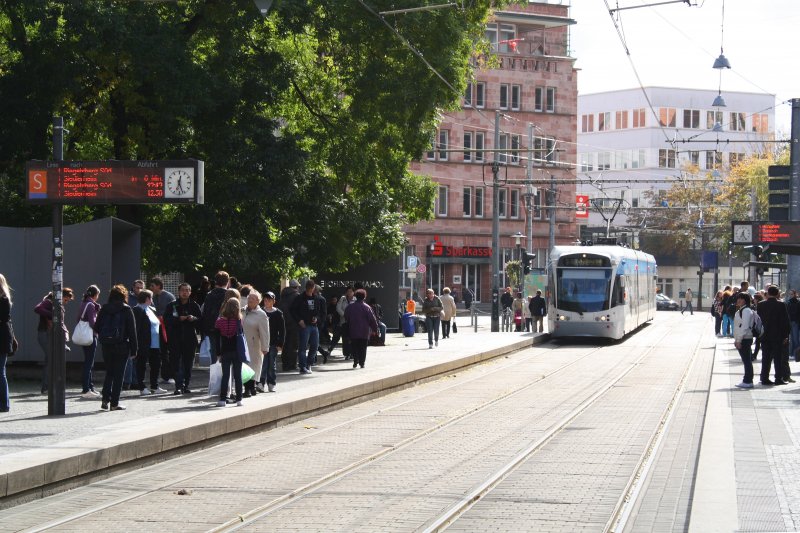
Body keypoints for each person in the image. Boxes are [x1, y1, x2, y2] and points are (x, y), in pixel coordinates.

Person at [95, 284, 137, 411]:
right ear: (124, 295)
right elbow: (132, 331)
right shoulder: (126, 309)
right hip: (122, 345)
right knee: (119, 375)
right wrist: (134, 349)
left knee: (110, 372)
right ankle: (114, 403)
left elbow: (96, 327)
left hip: (106, 345)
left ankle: (105, 399)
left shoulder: (104, 309)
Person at [164, 282, 202, 395]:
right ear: (179, 292)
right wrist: (178, 319)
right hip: (175, 338)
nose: (185, 293)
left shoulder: (194, 305)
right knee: (176, 362)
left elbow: (200, 321)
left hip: (190, 339)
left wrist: (193, 319)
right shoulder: (172, 305)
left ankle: (186, 385)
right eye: (182, 290)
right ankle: (178, 386)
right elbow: (167, 320)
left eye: (187, 290)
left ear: (190, 292)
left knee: (188, 363)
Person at [34, 288, 73, 394]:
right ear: (61, 297)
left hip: (49, 334)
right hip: (45, 333)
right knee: (52, 359)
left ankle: (47, 387)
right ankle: (47, 387)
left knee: (49, 360)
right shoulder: (49, 302)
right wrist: (53, 314)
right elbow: (37, 309)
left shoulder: (55, 304)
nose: (66, 302)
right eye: (65, 300)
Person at [132, 290, 166, 395]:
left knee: (156, 364)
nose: (152, 300)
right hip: (144, 343)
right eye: (151, 298)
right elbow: (136, 328)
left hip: (155, 343)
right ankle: (142, 387)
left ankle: (154, 386)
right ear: (147, 299)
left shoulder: (151, 309)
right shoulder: (137, 310)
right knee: (141, 365)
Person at [757, 285, 791, 386]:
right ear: (777, 294)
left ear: (768, 293)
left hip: (764, 335)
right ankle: (778, 378)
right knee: (778, 358)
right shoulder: (781, 305)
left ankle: (764, 377)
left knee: (765, 357)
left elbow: (758, 321)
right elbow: (785, 321)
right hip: (777, 336)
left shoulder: (760, 304)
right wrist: (786, 335)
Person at [215, 298, 244, 407]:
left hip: (225, 351)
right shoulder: (239, 321)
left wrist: (218, 353)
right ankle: (239, 399)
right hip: (237, 351)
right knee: (238, 376)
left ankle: (222, 399)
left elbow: (217, 339)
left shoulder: (219, 321)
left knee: (225, 375)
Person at [242, 289, 269, 397]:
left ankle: (250, 388)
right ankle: (249, 388)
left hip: (254, 345)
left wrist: (265, 346)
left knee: (253, 367)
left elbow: (265, 332)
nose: (250, 300)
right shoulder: (242, 311)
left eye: (253, 299)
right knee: (244, 366)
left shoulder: (261, 314)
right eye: (249, 298)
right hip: (243, 343)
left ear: (258, 301)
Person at [149, 277, 175, 383]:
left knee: (170, 351)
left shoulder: (169, 296)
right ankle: (165, 375)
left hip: (169, 328)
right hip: (158, 327)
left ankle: (171, 375)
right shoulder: (154, 297)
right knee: (162, 352)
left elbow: (174, 311)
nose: (151, 288)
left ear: (158, 286)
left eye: (152, 286)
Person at [291, 279, 320, 374]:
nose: (310, 290)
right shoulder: (300, 298)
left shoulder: (316, 298)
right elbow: (293, 310)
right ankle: (302, 367)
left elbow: (318, 311)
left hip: (313, 325)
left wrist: (316, 318)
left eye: (311, 288)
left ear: (313, 288)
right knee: (303, 347)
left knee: (314, 346)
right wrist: (299, 320)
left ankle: (309, 364)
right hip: (304, 325)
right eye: (309, 288)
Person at [77, 285, 101, 398]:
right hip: (91, 336)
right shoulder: (91, 305)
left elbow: (78, 318)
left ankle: (90, 387)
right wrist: (99, 331)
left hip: (84, 335)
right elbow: (93, 322)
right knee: (89, 363)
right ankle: (86, 389)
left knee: (88, 361)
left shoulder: (83, 303)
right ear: (95, 295)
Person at [344, 289, 378, 369]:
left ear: (355, 296)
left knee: (354, 347)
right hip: (364, 332)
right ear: (364, 297)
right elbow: (372, 320)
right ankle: (362, 363)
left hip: (353, 331)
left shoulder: (350, 307)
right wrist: (375, 329)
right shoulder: (367, 307)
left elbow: (346, 316)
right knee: (363, 348)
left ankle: (355, 361)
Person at [200, 271, 229, 363]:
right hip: (227, 327)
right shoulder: (229, 294)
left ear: (216, 282)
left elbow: (206, 312)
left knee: (214, 349)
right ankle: (225, 372)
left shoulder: (209, 295)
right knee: (226, 350)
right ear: (227, 282)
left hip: (212, 326)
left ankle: (215, 370)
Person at [259, 291, 284, 392]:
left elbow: (282, 330)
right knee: (263, 363)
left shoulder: (278, 313)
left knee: (271, 363)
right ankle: (261, 382)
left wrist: (280, 343)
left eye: (269, 300)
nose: (267, 302)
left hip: (273, 342)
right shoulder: (260, 312)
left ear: (274, 301)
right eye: (265, 300)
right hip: (262, 342)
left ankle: (271, 382)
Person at [733, 292, 755, 389]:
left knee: (747, 361)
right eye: (738, 298)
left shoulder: (745, 311)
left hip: (745, 338)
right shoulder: (742, 310)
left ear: (745, 300)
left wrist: (739, 340)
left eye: (741, 299)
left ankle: (747, 380)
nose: (738, 300)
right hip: (744, 338)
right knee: (747, 360)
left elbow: (745, 326)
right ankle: (747, 380)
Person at [278, 280, 300, 370]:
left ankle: (285, 364)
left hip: (283, 321)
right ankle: (292, 364)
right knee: (293, 344)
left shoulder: (283, 295)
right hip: (294, 322)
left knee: (285, 343)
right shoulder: (297, 296)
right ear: (296, 287)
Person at [0, 273, 14, 413]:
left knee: (1, 372)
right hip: (3, 337)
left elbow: (4, 318)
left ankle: (4, 404)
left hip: (2, 339)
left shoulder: (4, 300)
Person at [334, 286, 356, 359]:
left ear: (353, 292)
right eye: (348, 291)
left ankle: (353, 353)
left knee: (353, 338)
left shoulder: (355, 299)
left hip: (353, 322)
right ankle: (346, 354)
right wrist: (344, 315)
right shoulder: (342, 299)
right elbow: (338, 308)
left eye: (351, 291)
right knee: (345, 338)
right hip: (344, 321)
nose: (349, 293)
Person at [786, 289, 800, 363]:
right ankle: (793, 353)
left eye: (792, 294)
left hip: (795, 322)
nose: (790, 295)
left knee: (795, 338)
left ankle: (796, 354)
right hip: (791, 321)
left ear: (795, 294)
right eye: (790, 294)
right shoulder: (789, 302)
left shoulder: (797, 302)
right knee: (792, 338)